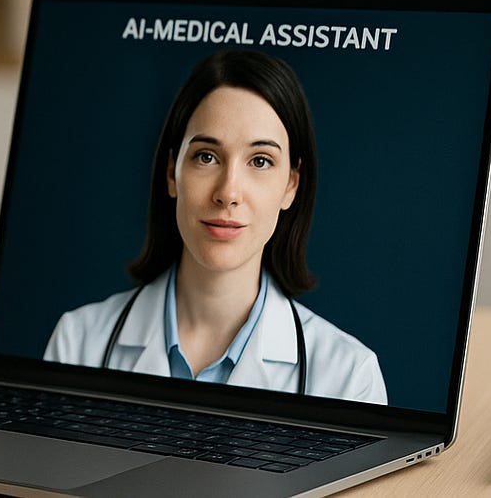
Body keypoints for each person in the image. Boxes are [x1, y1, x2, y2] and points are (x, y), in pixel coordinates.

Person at [44, 49, 386, 404]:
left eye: (260, 160)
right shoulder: (78, 344)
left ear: (291, 185)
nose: (228, 192)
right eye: (206, 157)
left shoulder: (349, 378)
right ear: (171, 172)